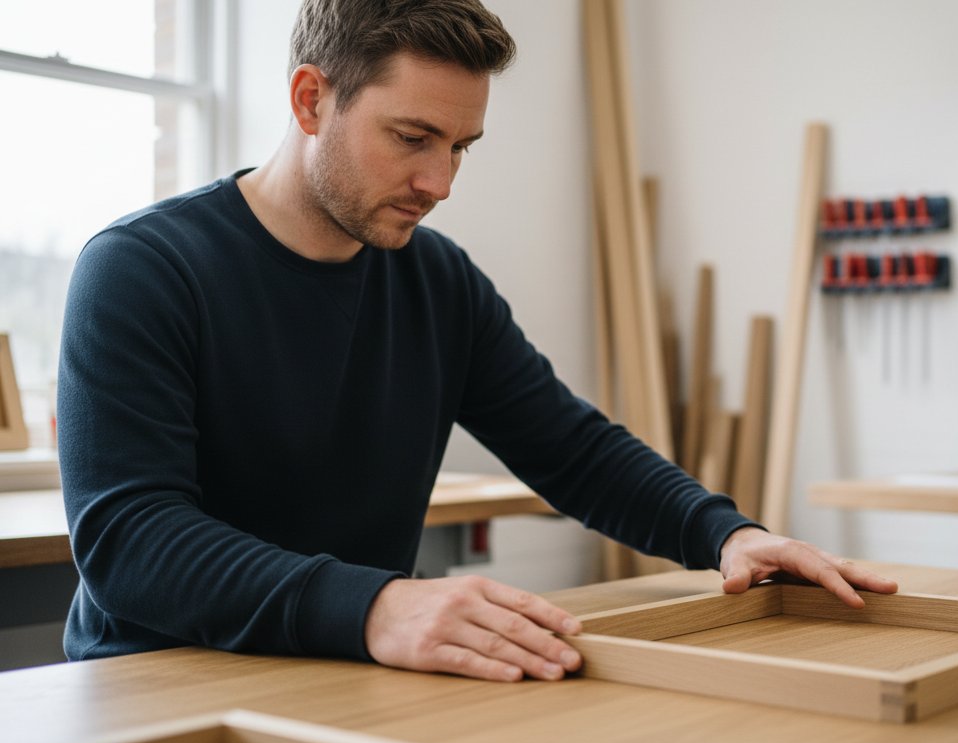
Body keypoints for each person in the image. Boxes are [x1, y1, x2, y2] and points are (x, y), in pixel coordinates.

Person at [58, 0, 898, 683]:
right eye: (413, 137)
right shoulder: (141, 270)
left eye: (460, 147)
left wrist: (724, 533)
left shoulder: (437, 281)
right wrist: (380, 606)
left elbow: (569, 447)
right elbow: (130, 542)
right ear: (311, 99)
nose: (441, 183)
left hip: (342, 668)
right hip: (160, 681)